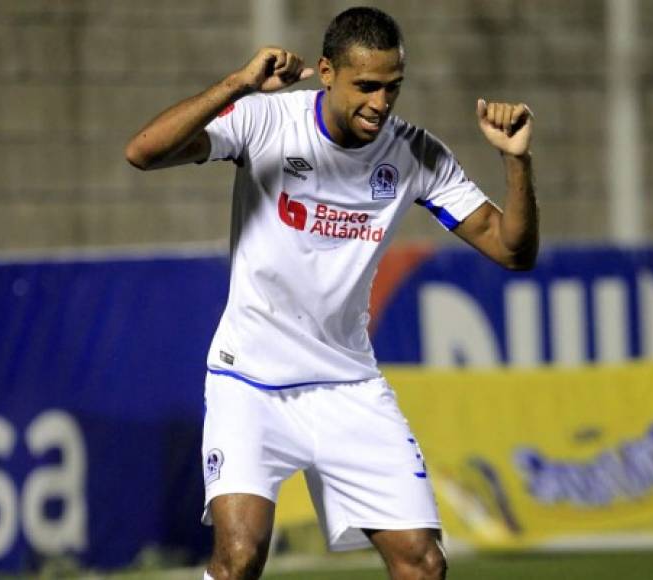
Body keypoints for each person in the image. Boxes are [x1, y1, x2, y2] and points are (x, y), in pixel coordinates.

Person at [125, 6, 538, 580]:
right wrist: (239, 83)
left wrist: (515, 163)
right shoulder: (266, 122)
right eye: (365, 86)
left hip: (347, 384)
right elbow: (143, 151)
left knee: (422, 563)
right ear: (326, 71)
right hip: (250, 381)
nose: (380, 102)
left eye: (392, 87)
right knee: (239, 558)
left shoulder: (415, 154)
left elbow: (512, 250)